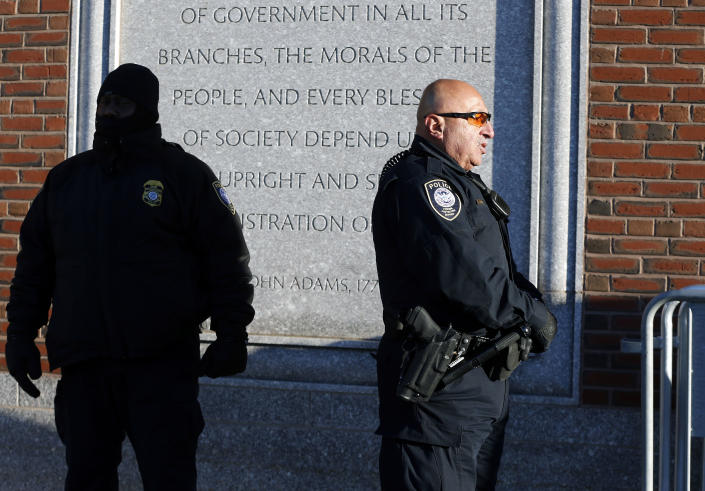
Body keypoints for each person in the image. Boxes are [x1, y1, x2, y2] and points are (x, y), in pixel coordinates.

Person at [4, 63, 255, 490]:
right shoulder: (68, 180)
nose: (109, 111)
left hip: (160, 367)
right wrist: (20, 333)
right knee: (86, 478)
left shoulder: (184, 175)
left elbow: (226, 258)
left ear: (146, 109)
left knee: (168, 479)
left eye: (122, 103)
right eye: (104, 102)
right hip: (86, 367)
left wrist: (232, 333)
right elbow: (35, 266)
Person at [371, 79, 557, 490]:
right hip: (439, 399)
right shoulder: (422, 184)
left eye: (487, 119)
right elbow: (466, 276)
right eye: (475, 118)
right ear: (436, 126)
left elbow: (498, 270)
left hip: (475, 390)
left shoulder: (463, 183)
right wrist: (531, 314)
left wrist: (531, 303)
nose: (488, 129)